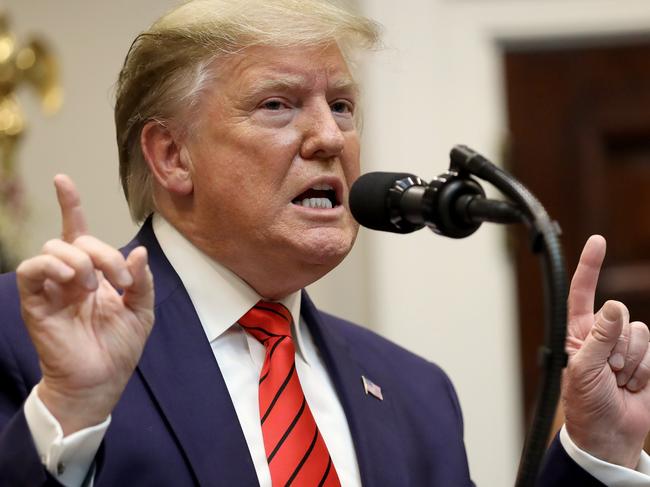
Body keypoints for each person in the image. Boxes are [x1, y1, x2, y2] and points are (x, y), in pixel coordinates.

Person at [1, 0, 649, 485]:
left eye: (341, 105)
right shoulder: (29, 336)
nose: (330, 138)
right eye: (278, 105)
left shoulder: (416, 393)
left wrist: (595, 454)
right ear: (172, 155)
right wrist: (73, 407)